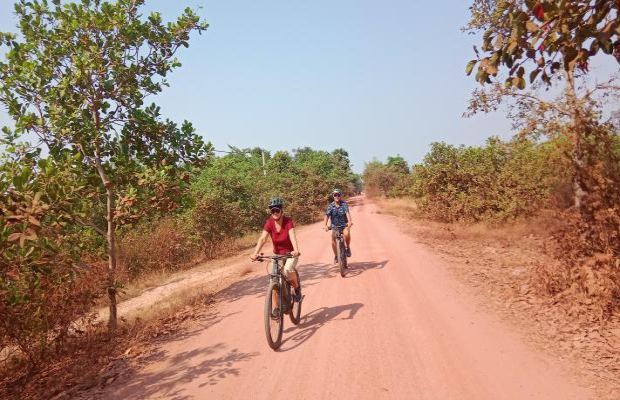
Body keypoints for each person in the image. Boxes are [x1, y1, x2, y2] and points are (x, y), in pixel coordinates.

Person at [251, 196, 302, 301]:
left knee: (287, 270)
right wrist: (255, 253)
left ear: (281, 210)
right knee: (273, 279)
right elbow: (262, 239)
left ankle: (297, 288)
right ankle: (276, 309)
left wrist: (296, 250)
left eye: (277, 210)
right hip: (277, 255)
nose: (275, 212)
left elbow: (292, 235)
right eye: (272, 210)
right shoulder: (269, 222)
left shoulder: (288, 221)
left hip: (290, 254)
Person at [323, 188, 353, 265]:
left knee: (346, 234)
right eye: (335, 195)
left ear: (340, 196)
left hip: (344, 225)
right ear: (333, 196)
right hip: (335, 226)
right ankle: (336, 256)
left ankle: (348, 247)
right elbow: (327, 216)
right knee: (333, 238)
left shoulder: (344, 204)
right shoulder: (330, 206)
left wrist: (350, 222)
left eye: (338, 195)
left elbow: (347, 214)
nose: (336, 196)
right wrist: (325, 225)